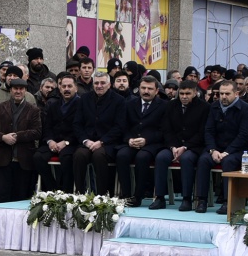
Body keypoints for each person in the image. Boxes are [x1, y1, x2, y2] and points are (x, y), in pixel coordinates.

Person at [195, 78, 248, 213]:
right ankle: (201, 200)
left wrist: (227, 151)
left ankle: (228, 201)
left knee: (228, 162)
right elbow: (208, 131)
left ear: (236, 94)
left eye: (227, 94)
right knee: (203, 160)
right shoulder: (214, 107)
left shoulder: (247, 109)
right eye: (221, 94)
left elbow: (244, 134)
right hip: (216, 148)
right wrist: (212, 150)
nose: (223, 97)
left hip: (237, 150)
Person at [72, 70, 130, 197]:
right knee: (79, 155)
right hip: (87, 141)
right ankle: (79, 194)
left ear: (109, 85)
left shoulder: (119, 101)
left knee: (98, 156)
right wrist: (85, 141)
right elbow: (77, 124)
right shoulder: (84, 99)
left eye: (103, 83)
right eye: (97, 83)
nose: (99, 86)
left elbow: (119, 127)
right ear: (93, 84)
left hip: (108, 143)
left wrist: (102, 142)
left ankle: (102, 195)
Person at [0, 74, 40, 203]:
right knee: (2, 196)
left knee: (21, 197)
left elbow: (37, 132)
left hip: (24, 160)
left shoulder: (33, 110)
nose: (18, 91)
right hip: (3, 159)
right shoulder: (0, 108)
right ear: (10, 90)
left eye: (21, 89)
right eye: (15, 88)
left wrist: (18, 136)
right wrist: (3, 137)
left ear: (25, 91)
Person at [162, 78, 209, 211]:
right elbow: (167, 129)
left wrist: (185, 147)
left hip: (194, 146)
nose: (184, 96)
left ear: (195, 93)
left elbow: (202, 132)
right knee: (161, 157)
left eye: (187, 94)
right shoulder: (171, 105)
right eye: (181, 93)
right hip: (173, 145)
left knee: (187, 158)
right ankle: (159, 197)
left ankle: (187, 198)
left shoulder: (204, 107)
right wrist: (173, 147)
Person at [124, 74, 170, 206]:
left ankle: (138, 196)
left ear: (156, 91)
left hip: (152, 144)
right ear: (138, 89)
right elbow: (123, 126)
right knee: (122, 155)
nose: (146, 91)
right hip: (131, 142)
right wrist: (129, 140)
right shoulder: (129, 104)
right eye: (143, 88)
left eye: (150, 89)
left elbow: (164, 131)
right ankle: (126, 195)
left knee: (142, 157)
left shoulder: (164, 106)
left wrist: (146, 140)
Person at [39, 73, 79, 192]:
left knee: (66, 157)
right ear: (60, 88)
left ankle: (67, 192)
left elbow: (80, 128)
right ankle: (53, 189)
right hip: (54, 142)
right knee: (38, 157)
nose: (66, 89)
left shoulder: (81, 104)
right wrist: (50, 141)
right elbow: (47, 126)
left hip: (72, 143)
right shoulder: (53, 105)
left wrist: (66, 142)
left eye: (69, 86)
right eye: (64, 86)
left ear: (75, 88)